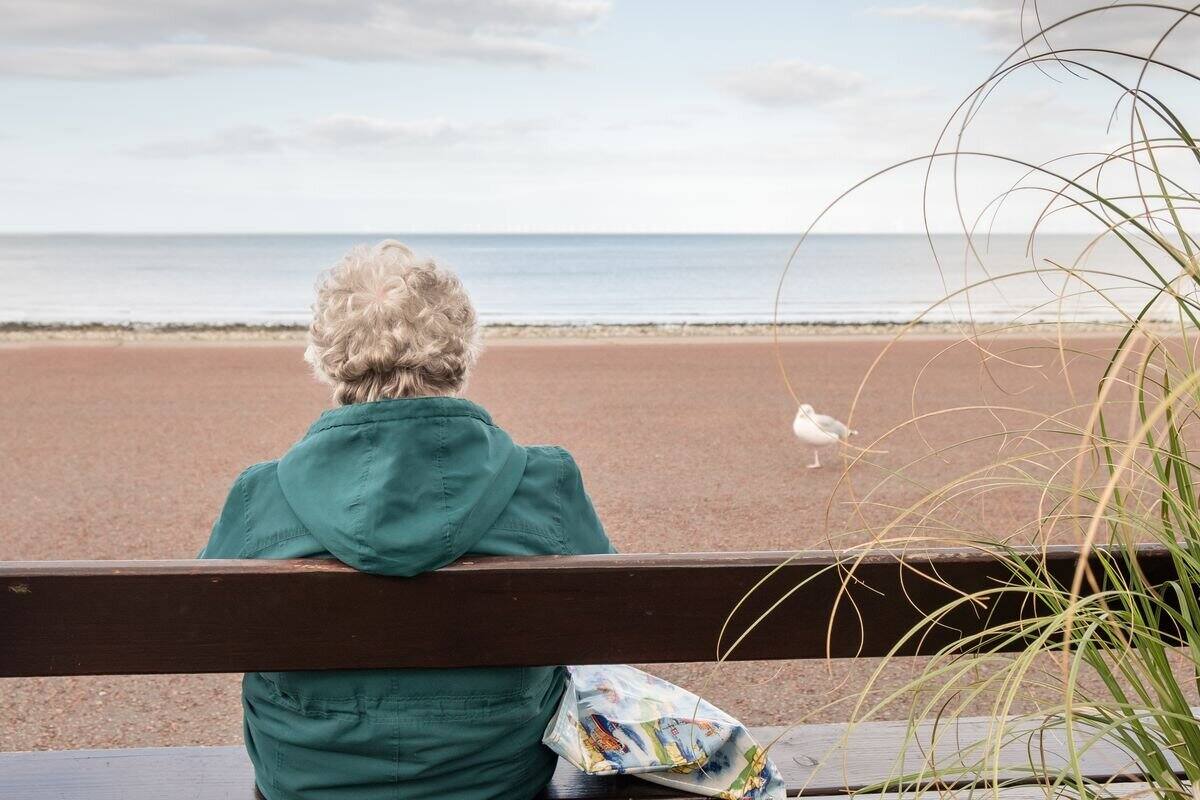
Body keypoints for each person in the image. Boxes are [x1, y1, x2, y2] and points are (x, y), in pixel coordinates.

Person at [200, 240, 612, 800]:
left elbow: (211, 633)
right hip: (496, 785)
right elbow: (602, 624)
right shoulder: (548, 482)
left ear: (328, 355)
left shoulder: (259, 496)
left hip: (305, 787)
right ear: (459, 349)